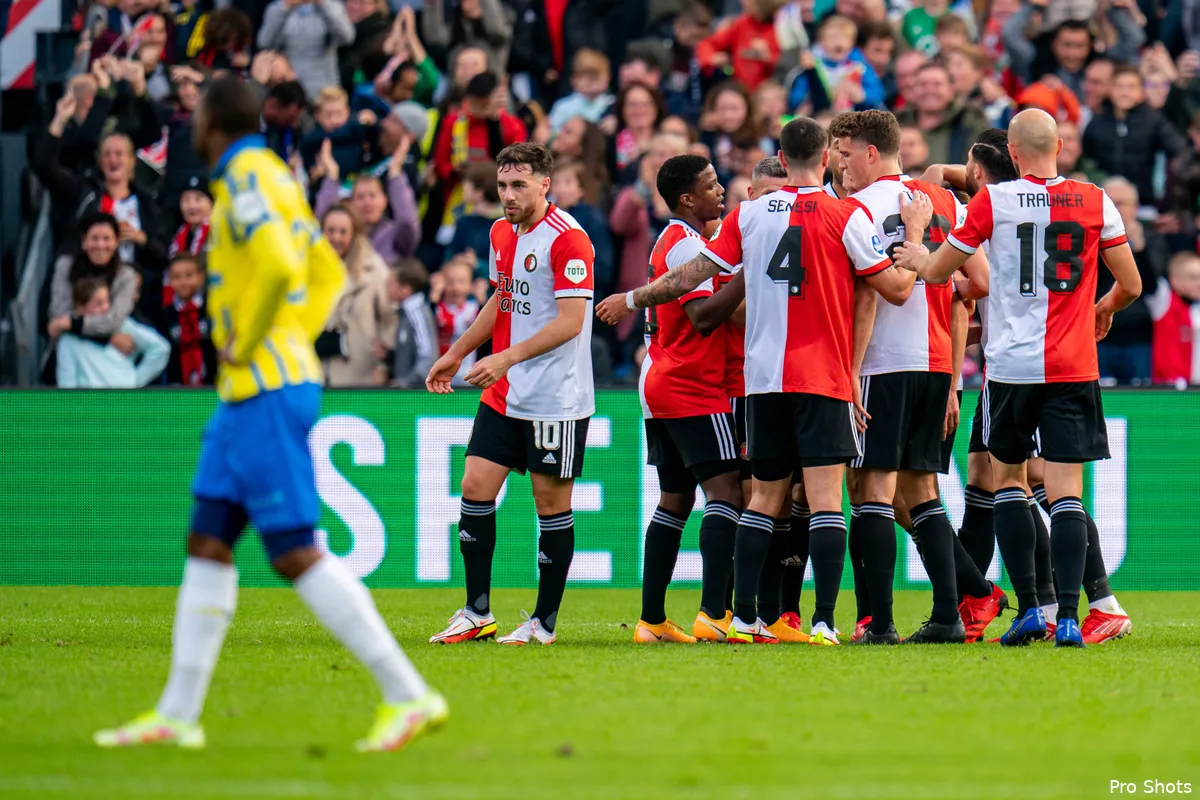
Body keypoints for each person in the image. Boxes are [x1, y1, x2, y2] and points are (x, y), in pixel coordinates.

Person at [94, 77, 446, 753]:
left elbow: (286, 266)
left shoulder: (248, 177)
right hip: (248, 392)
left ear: (208, 122)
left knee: (291, 549)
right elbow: (323, 271)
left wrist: (253, 341)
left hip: (261, 385)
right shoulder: (274, 175)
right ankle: (177, 714)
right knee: (209, 540)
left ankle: (408, 694)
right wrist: (294, 336)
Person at [597, 116, 915, 646]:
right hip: (824, 378)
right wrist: (920, 239)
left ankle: (743, 619)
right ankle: (821, 623)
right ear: (830, 160)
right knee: (824, 501)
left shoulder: (747, 216)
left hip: (763, 382)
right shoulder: (847, 213)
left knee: (763, 498)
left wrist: (631, 299)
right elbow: (896, 290)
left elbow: (687, 279)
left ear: (782, 160)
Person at [893, 108, 1143, 648]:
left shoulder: (993, 200)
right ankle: (1073, 619)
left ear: (1010, 148)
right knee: (1067, 494)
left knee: (1007, 481)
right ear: (1060, 145)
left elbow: (939, 273)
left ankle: (1032, 607)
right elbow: (1132, 284)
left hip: (1011, 368)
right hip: (1074, 364)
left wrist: (917, 248)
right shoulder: (1096, 199)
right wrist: (1102, 308)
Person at [426, 142, 596, 646]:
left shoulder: (570, 241)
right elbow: (504, 298)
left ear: (546, 184)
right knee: (475, 486)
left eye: (518, 185)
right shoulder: (502, 231)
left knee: (549, 504)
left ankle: (543, 622)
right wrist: (459, 352)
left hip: (555, 397)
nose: (508, 195)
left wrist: (504, 357)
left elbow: (571, 322)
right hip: (505, 391)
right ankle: (477, 610)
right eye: (502, 186)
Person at [830, 109, 988, 644]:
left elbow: (876, 291)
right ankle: (949, 616)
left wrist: (849, 370)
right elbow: (976, 282)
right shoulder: (942, 200)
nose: (840, 164)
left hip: (882, 361)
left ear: (871, 153)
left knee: (869, 490)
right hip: (935, 360)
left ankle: (880, 622)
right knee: (923, 492)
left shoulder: (855, 209)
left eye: (846, 153)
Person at [629, 154, 748, 645]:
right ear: (686, 198)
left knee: (674, 500)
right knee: (728, 495)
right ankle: (714, 612)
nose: (720, 190)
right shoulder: (683, 246)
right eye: (711, 184)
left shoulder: (682, 241)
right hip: (692, 384)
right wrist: (750, 272)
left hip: (663, 380)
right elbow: (701, 317)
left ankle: (652, 621)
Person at [319, 204, 398, 387]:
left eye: (343, 232)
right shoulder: (307, 269)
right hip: (316, 376)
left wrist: (383, 364)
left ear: (354, 234)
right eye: (330, 231)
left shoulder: (374, 270)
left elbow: (391, 317)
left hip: (359, 379)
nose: (335, 238)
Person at [57, 277, 170, 388]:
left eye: (107, 301)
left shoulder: (121, 325)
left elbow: (160, 348)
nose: (105, 308)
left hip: (124, 402)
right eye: (98, 304)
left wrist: (134, 381)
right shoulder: (68, 339)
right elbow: (67, 383)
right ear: (80, 308)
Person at [257, 0, 356, 100]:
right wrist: (285, 8)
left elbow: (347, 37)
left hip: (324, 90)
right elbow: (265, 44)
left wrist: (323, 4)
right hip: (289, 88)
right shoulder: (277, 8)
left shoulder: (333, 6)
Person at [157, 254, 218, 386]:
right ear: (170, 281)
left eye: (189, 275)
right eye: (176, 277)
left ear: (201, 277)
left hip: (214, 383)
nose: (183, 282)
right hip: (178, 386)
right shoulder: (165, 315)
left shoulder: (212, 307)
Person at [383, 260, 440, 389]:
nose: (387, 286)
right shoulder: (405, 313)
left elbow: (427, 355)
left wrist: (408, 383)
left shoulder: (417, 313)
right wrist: (388, 355)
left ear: (405, 289)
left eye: (391, 283)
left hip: (415, 396)